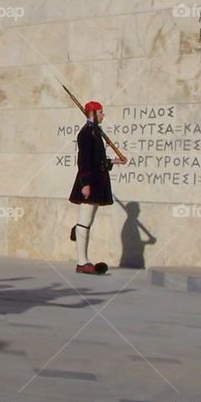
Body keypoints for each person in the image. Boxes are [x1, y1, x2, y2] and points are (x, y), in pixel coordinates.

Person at [68, 100, 125, 275]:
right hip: (90, 182)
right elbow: (84, 161)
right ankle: (82, 262)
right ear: (93, 113)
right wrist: (85, 184)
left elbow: (97, 161)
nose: (103, 115)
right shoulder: (86, 133)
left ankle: (81, 252)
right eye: (100, 112)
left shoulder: (95, 132)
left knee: (87, 222)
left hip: (96, 180)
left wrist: (115, 161)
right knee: (84, 222)